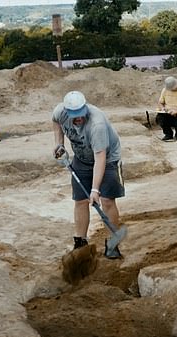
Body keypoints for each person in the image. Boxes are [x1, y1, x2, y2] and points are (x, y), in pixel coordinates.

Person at [52, 91, 124, 253]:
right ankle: (80, 242)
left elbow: (100, 159)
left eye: (80, 114)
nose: (78, 118)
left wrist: (95, 189)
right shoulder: (60, 112)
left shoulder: (96, 124)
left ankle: (112, 243)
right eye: (74, 115)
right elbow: (55, 121)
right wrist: (59, 144)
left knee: (106, 201)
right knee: (80, 200)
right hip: (81, 157)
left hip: (107, 158)